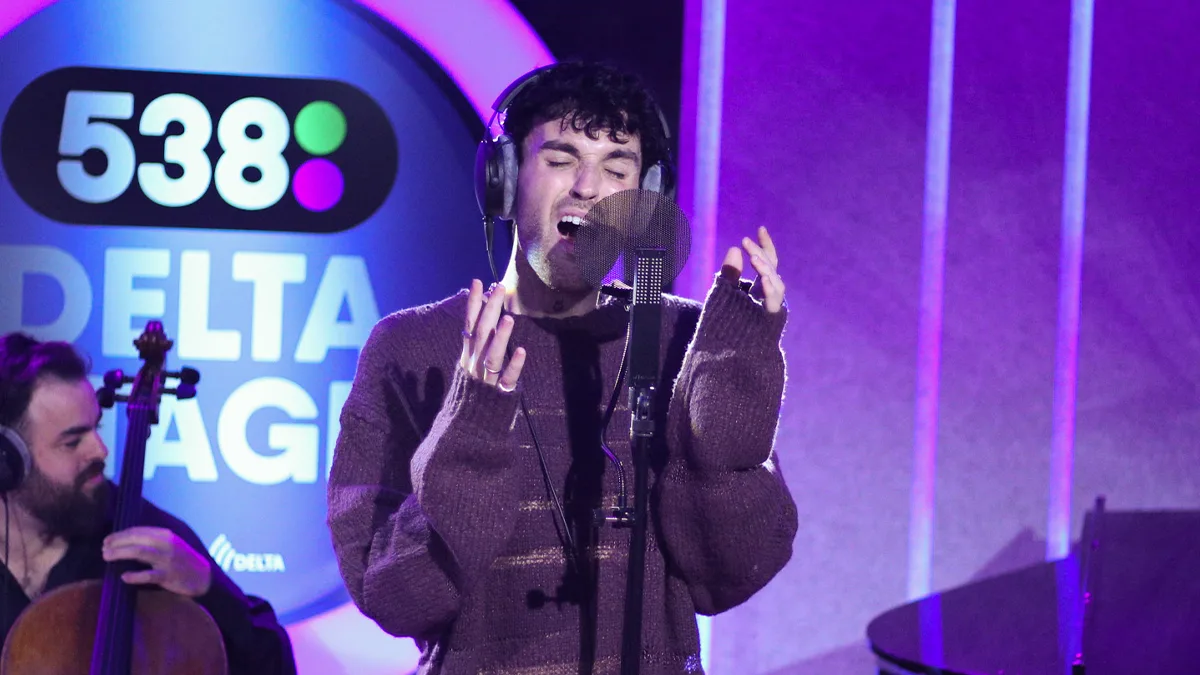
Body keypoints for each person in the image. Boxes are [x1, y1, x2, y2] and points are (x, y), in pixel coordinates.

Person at [327, 61, 798, 674]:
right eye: (560, 160)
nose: (589, 187)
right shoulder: (413, 347)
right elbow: (393, 597)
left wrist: (726, 442)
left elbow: (728, 578)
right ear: (504, 180)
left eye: (617, 168)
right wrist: (471, 427)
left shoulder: (685, 339)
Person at [0, 332, 297, 674]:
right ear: (7, 459)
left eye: (96, 427)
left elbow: (274, 664)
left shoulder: (146, 539)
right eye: (72, 441)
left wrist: (210, 588)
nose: (99, 450)